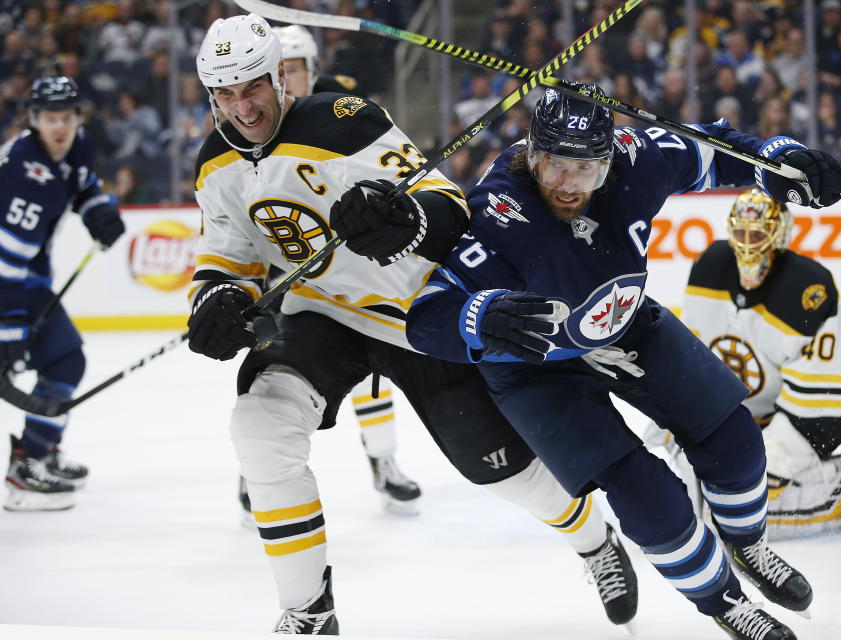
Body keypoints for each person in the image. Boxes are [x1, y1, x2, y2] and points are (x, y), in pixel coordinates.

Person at [189, 15, 637, 634]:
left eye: (253, 89)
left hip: (412, 312)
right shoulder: (213, 165)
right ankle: (308, 612)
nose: (243, 108)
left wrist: (402, 217)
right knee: (259, 426)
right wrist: (216, 298)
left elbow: (446, 202)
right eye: (226, 95)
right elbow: (229, 256)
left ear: (277, 79)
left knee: (497, 468)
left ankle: (594, 540)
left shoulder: (343, 121)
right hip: (322, 315)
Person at [387, 84, 841, 640]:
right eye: (551, 163)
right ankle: (723, 602)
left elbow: (719, 150)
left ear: (611, 159)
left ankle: (747, 547)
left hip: (622, 323)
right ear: (532, 151)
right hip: (535, 365)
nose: (564, 183)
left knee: (735, 437)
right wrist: (479, 317)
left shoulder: (640, 158)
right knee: (647, 497)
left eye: (583, 169)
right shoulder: (500, 211)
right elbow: (425, 318)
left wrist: (778, 162)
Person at [240, 25, 421, 518]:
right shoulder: (245, 123)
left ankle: (383, 462)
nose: (289, 78)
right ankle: (257, 469)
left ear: (308, 69)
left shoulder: (336, 107)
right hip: (280, 270)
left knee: (371, 375)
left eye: (296, 68)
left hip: (344, 269)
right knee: (269, 372)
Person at [680, 188, 841, 541]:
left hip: (808, 415)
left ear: (778, 235)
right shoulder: (709, 267)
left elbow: (823, 399)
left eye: (758, 234)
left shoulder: (809, 288)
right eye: (741, 233)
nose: (748, 245)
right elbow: (690, 355)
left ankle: (835, 486)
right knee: (671, 485)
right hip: (735, 416)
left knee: (742, 506)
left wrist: (769, 449)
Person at [1, 76, 126, 511]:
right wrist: (9, 331)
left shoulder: (77, 145)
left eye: (67, 117)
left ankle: (38, 453)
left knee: (64, 360)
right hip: (8, 279)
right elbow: (5, 261)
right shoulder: (26, 172)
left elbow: (84, 185)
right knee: (63, 358)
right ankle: (27, 469)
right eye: (50, 118)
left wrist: (99, 212)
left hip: (25, 278)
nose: (61, 126)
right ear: (35, 120)